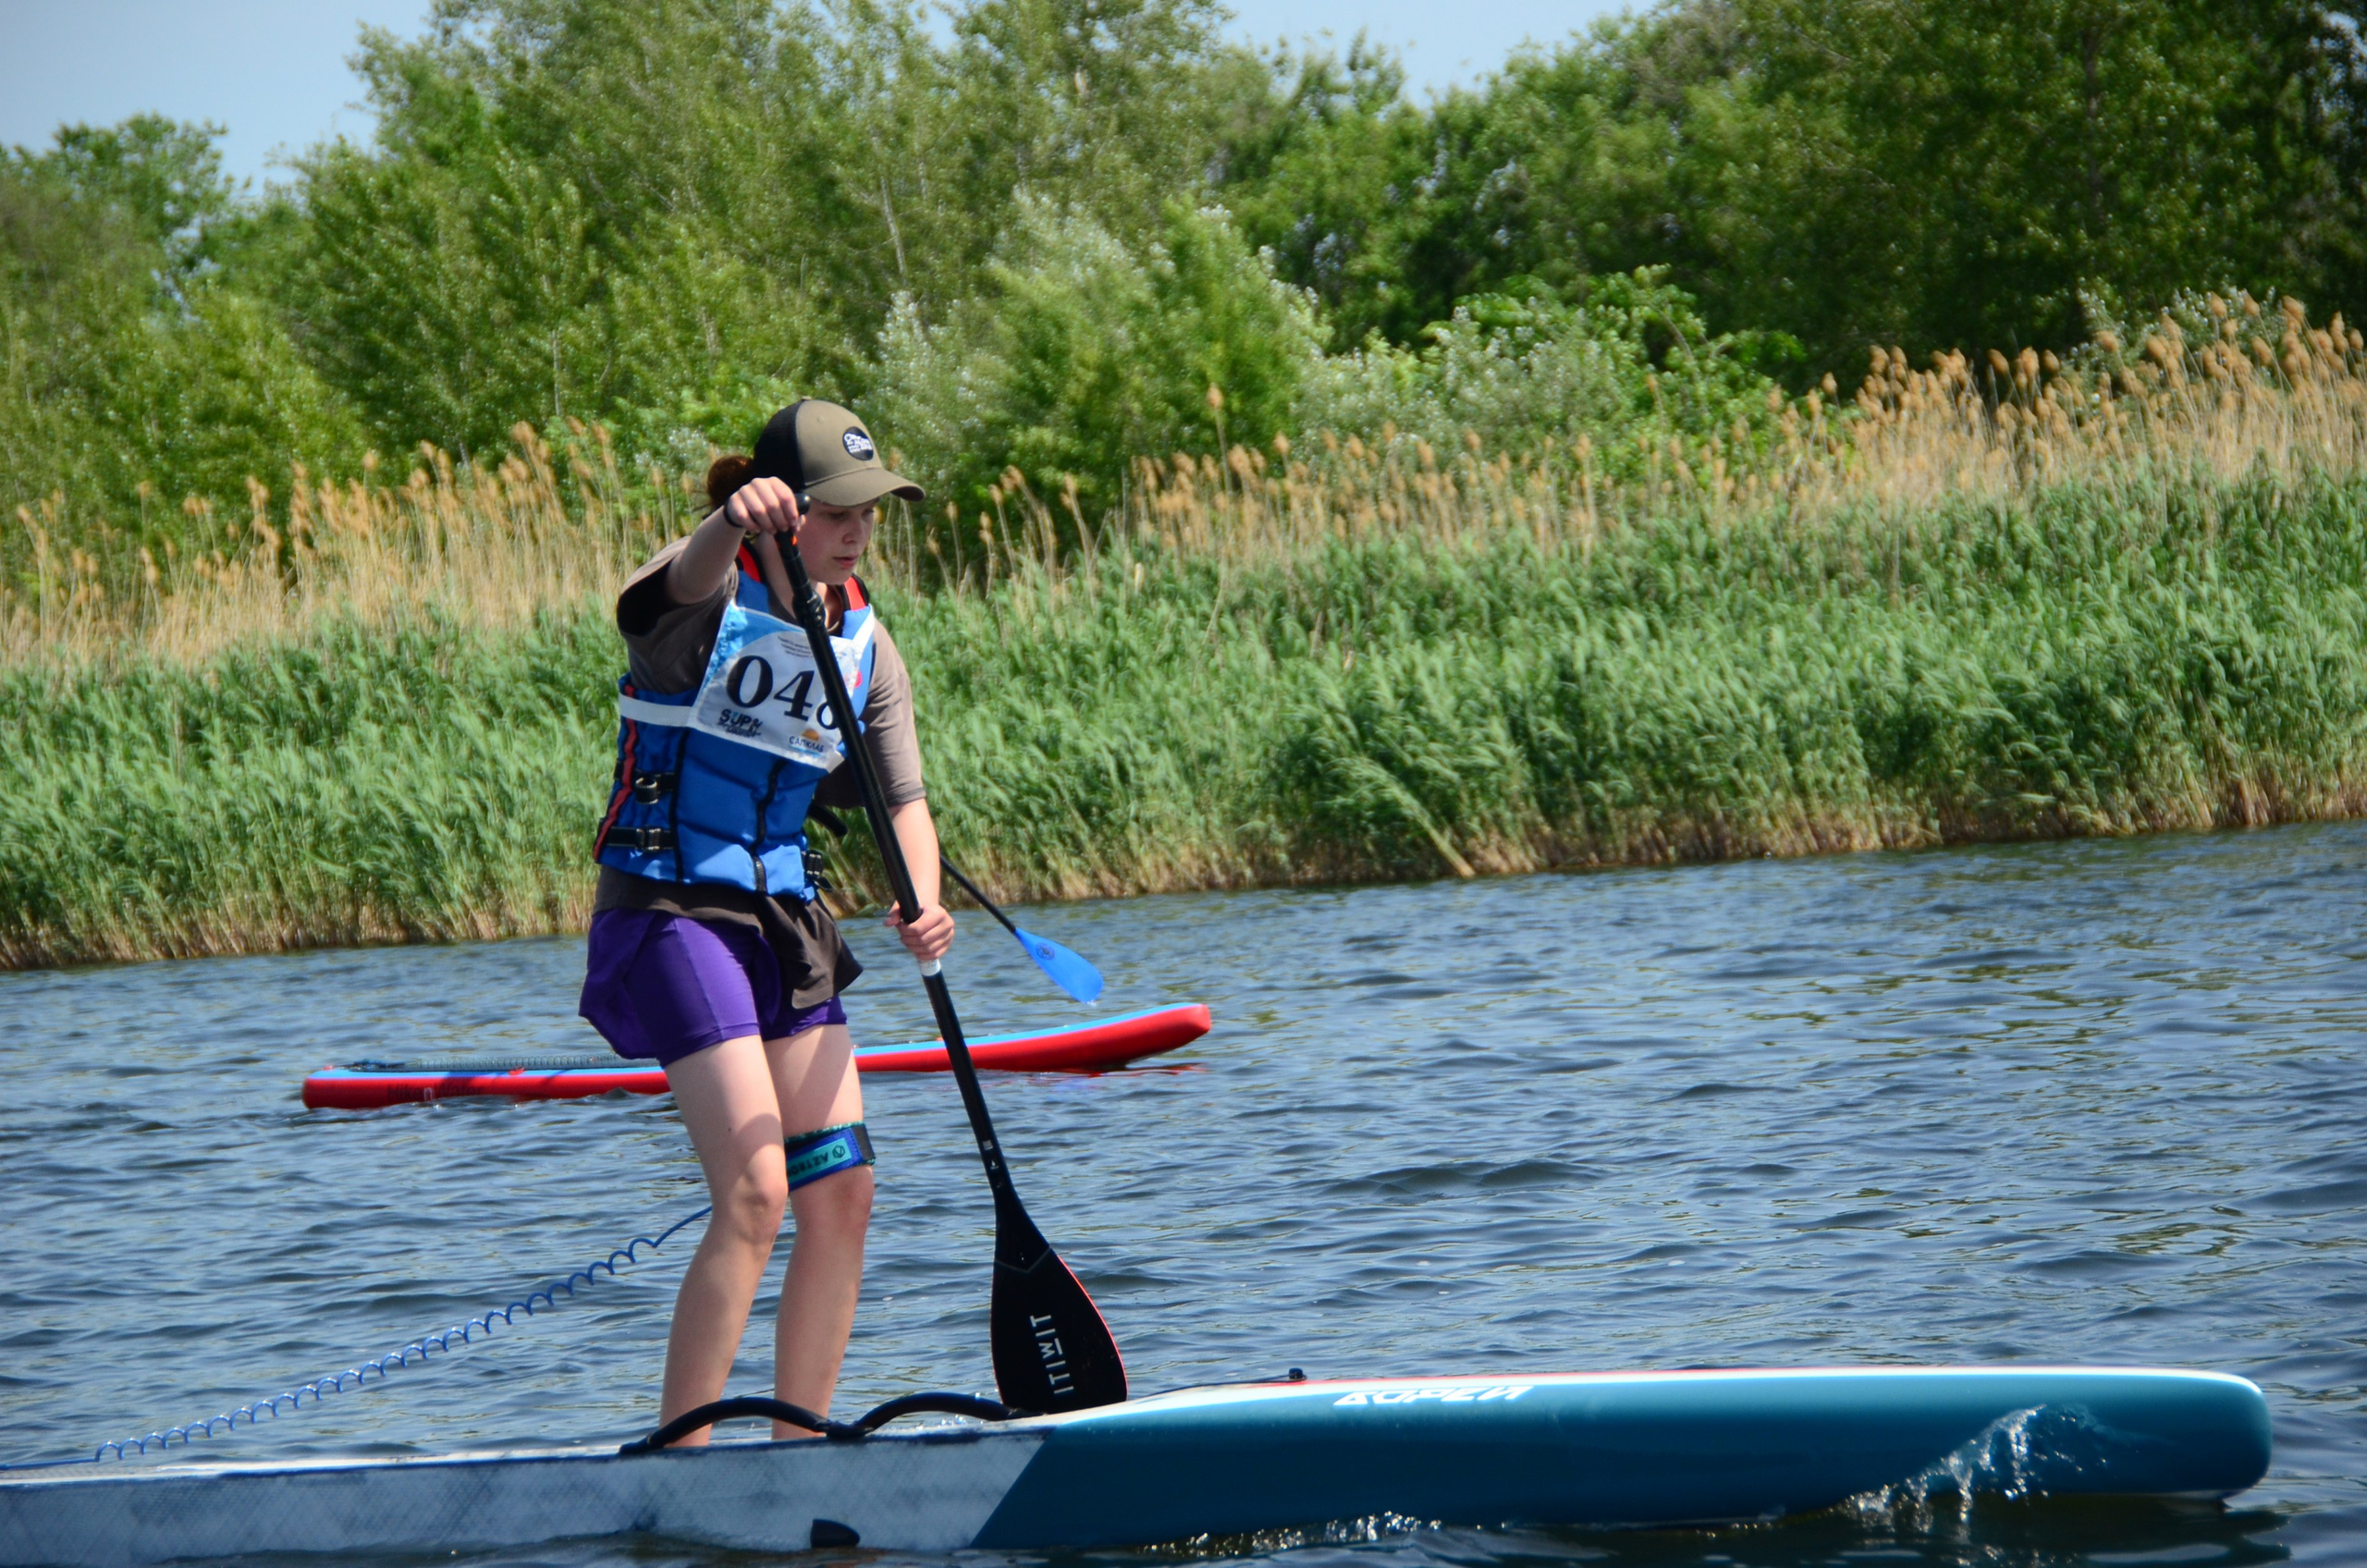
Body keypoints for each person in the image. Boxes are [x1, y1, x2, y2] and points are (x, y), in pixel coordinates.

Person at [578, 399, 954, 1440]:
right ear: (785, 511)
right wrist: (726, 525)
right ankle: (682, 1459)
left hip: (783, 920)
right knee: (755, 1192)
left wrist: (922, 900)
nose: (860, 529)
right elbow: (665, 589)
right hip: (669, 908)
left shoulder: (867, 641)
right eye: (838, 510)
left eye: (874, 512)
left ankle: (799, 1452)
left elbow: (905, 799)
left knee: (842, 1194)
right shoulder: (704, 593)